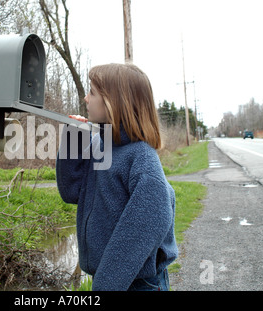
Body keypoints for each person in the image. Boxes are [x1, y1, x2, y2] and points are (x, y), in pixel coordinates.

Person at [56, 63, 178, 291]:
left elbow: (149, 222)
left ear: (114, 103)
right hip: (113, 280)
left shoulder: (140, 157)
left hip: (138, 284)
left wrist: (105, 286)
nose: (85, 98)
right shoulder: (99, 144)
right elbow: (71, 192)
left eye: (92, 92)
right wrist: (73, 140)